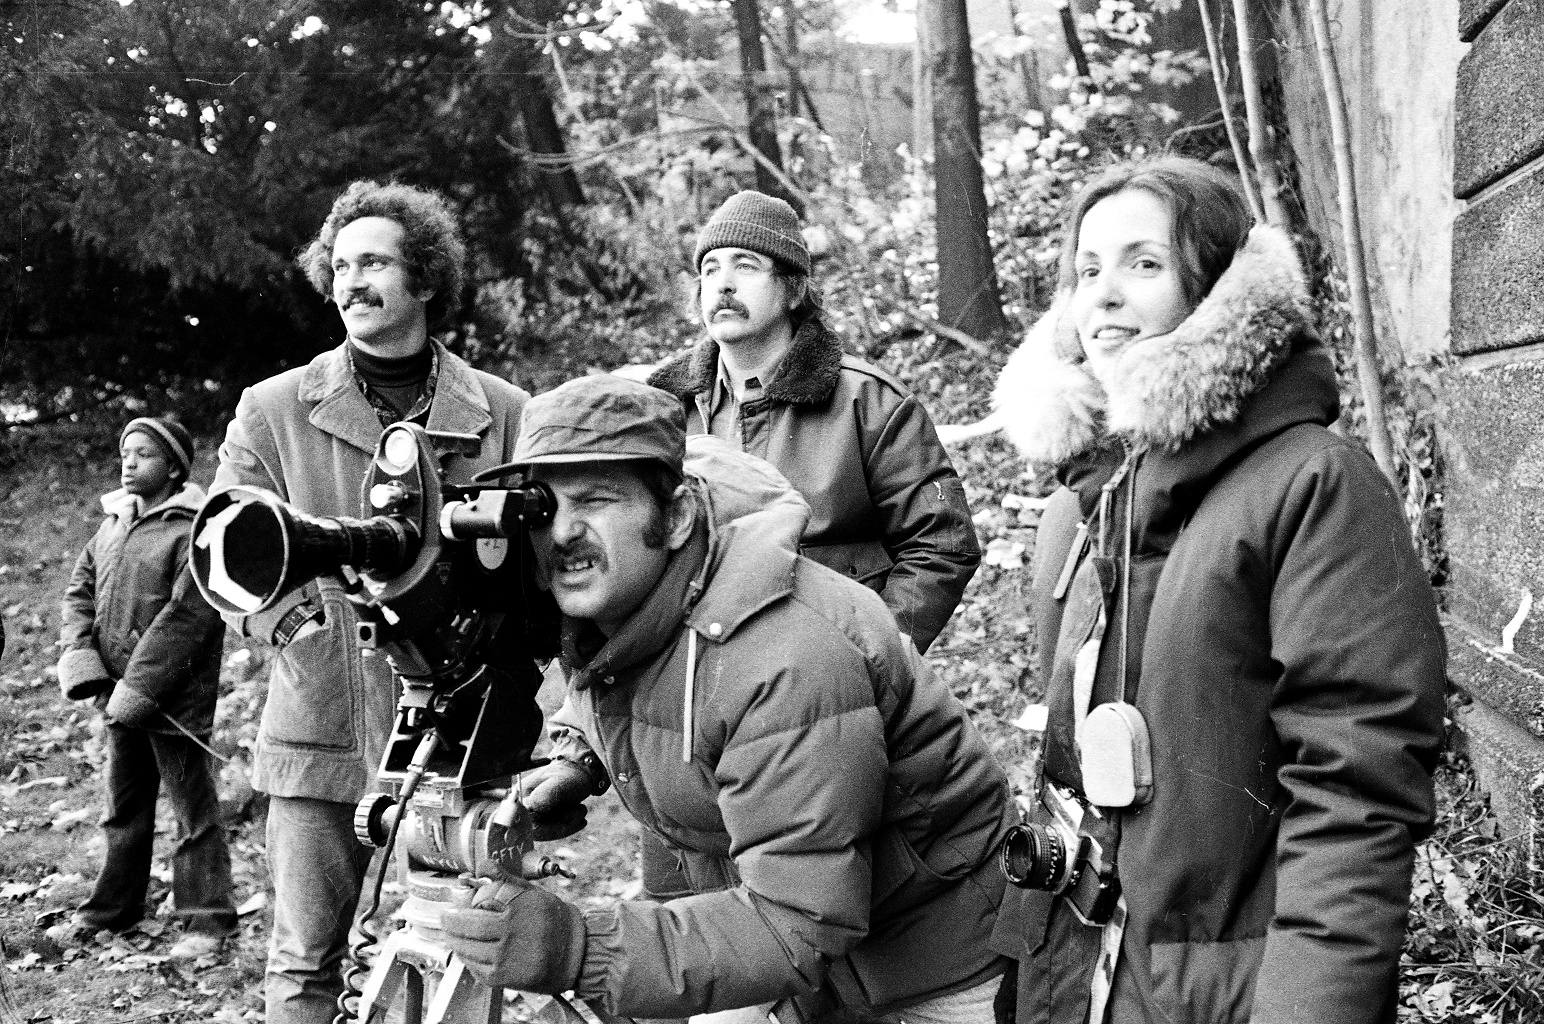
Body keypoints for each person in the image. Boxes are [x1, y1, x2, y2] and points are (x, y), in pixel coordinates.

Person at [987, 156, 1446, 1022]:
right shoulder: (1082, 507)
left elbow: (1356, 793)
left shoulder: (1316, 483)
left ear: (1221, 292)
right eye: (1087, 270)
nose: (1104, 295)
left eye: (1143, 263)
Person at [439, 375, 1014, 1024]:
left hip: (929, 952)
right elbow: (634, 680)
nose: (564, 532)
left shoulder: (785, 653)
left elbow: (803, 921)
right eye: (546, 507)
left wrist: (579, 945)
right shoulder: (618, 601)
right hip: (777, 926)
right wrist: (579, 761)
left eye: (597, 499)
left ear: (678, 515)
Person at [210, 180, 538, 1024]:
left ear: (424, 280)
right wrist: (303, 629)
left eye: (377, 263)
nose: (353, 282)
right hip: (321, 720)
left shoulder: (504, 412)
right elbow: (222, 557)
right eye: (342, 265)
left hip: (466, 724)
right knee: (306, 961)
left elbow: (543, 562)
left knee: (472, 950)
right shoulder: (275, 408)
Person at [648, 190, 980, 656]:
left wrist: (871, 657)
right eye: (710, 269)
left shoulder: (870, 402)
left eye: (745, 266)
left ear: (794, 289)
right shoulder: (662, 410)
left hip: (829, 677)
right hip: (698, 681)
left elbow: (942, 544)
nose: (723, 284)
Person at [55, 416, 236, 961]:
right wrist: (81, 657)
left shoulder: (194, 530)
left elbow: (188, 618)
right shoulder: (112, 525)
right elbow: (78, 592)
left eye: (144, 455)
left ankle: (207, 917)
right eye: (124, 453)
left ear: (175, 467)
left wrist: (139, 688)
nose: (129, 463)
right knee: (123, 806)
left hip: (172, 701)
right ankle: (114, 907)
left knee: (191, 809)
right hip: (115, 694)